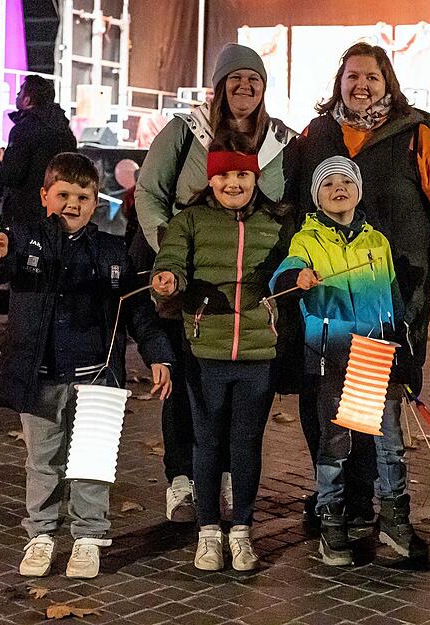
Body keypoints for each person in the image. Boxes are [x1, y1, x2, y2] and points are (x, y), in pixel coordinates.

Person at [292, 42, 430, 528]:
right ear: (339, 82)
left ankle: (360, 501)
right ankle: (340, 499)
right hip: (327, 303)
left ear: (388, 83)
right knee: (324, 402)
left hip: (389, 298)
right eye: (352, 76)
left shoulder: (414, 138)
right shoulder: (316, 135)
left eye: (371, 77)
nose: (361, 85)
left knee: (373, 399)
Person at [0, 153, 173, 580]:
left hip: (96, 379)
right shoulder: (25, 239)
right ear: (45, 196)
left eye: (82, 197)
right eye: (63, 194)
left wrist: (158, 353)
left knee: (91, 461)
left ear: (95, 202)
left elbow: (137, 309)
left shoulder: (112, 250)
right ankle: (41, 534)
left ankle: (89, 536)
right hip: (40, 378)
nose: (72, 204)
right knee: (42, 461)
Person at [136, 43, 296, 523]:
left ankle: (225, 475)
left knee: (237, 390)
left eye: (254, 79)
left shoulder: (280, 140)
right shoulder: (187, 130)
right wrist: (172, 251)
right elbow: (149, 191)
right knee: (187, 382)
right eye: (235, 78)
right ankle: (182, 478)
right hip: (188, 280)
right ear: (219, 85)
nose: (245, 86)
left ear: (264, 88)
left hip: (248, 290)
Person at [270, 156, 428, 565]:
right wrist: (296, 278)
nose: (338, 188)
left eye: (346, 181)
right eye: (328, 184)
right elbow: (283, 275)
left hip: (376, 353)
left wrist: (403, 352)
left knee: (390, 443)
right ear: (316, 197)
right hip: (333, 356)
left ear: (358, 191)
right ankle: (332, 520)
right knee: (335, 444)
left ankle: (395, 518)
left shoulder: (377, 243)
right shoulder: (307, 241)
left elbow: (393, 302)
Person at [151, 142, 293, 572]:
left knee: (247, 443)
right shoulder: (190, 220)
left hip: (258, 350)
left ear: (255, 178)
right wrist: (168, 279)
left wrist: (298, 277)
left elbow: (291, 265)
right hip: (205, 350)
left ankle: (242, 531)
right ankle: (209, 532)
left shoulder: (276, 223)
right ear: (210, 180)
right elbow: (171, 258)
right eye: (224, 175)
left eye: (242, 175)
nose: (233, 183)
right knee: (207, 442)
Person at [0, 75, 77, 228]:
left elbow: (12, 175)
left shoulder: (24, 129)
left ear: (27, 100)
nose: (17, 95)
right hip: (59, 211)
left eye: (20, 91)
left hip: (26, 214)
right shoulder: (65, 131)